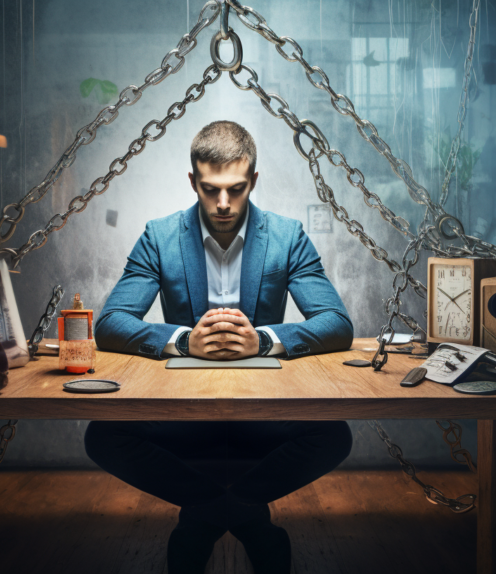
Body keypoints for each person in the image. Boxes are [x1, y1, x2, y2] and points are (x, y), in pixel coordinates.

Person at [85, 121, 354, 574]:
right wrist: (183, 341)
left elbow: (337, 323)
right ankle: (248, 522)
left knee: (335, 434)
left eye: (235, 188)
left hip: (262, 411)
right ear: (193, 181)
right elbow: (111, 322)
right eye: (211, 190)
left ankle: (201, 522)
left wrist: (264, 341)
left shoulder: (287, 236)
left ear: (253, 180)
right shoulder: (160, 235)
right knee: (103, 435)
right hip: (184, 412)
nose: (224, 203)